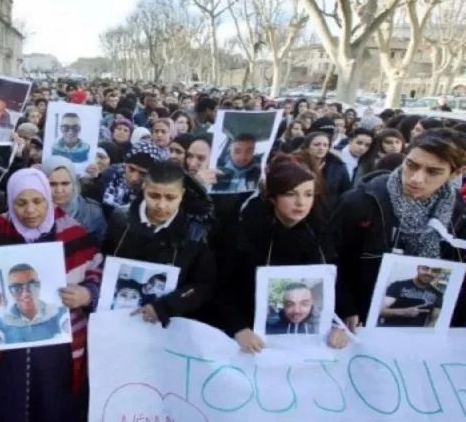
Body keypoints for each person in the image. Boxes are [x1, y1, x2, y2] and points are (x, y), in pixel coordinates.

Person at [0, 168, 103, 422]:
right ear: (10, 201)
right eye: (21, 203)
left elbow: (96, 273)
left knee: (54, 413)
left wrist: (85, 293)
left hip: (59, 349)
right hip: (5, 350)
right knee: (8, 416)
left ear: (49, 199)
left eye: (38, 201)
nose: (30, 210)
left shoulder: (72, 232)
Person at [332, 129, 466, 331]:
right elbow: (330, 259)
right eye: (411, 166)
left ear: (456, 173)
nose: (416, 179)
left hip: (421, 329)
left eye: (433, 172)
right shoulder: (361, 203)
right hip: (358, 323)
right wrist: (345, 308)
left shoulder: (457, 213)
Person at [213, 155, 347, 352]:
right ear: (273, 197)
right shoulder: (244, 230)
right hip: (251, 336)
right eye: (291, 194)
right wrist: (238, 328)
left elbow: (335, 280)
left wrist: (340, 323)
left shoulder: (320, 230)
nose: (301, 203)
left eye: (308, 194)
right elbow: (223, 287)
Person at [104, 161, 216, 326]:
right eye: (154, 196)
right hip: (117, 320)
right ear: (144, 189)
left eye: (171, 197)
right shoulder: (120, 219)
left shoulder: (196, 231)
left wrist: (166, 306)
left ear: (182, 194)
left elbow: (204, 284)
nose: (161, 205)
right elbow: (106, 262)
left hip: (168, 324)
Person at [0, 264, 70, 345]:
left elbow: (67, 323)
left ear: (39, 286)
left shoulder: (57, 311)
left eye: (32, 285)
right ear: (10, 292)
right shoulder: (1, 321)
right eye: (17, 288)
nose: (26, 293)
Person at [42, 156, 107, 246]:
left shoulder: (92, 213)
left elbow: (99, 248)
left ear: (74, 183)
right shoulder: (33, 212)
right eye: (52, 184)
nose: (59, 190)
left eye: (65, 183)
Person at [100, 142, 163, 213]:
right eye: (131, 169)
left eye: (143, 174)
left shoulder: (157, 191)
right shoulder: (110, 175)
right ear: (125, 164)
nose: (134, 178)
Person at [379, 265, 444, 328]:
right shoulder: (398, 285)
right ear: (418, 268)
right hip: (389, 330)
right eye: (425, 268)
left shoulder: (438, 294)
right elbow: (380, 311)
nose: (429, 273)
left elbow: (433, 321)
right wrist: (403, 312)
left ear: (438, 274)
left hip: (414, 335)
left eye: (435, 270)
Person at [302, 131, 351, 212]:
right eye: (317, 144)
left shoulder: (338, 166)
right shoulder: (298, 165)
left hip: (327, 213)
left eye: (325, 145)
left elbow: (346, 192)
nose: (321, 148)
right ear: (307, 148)